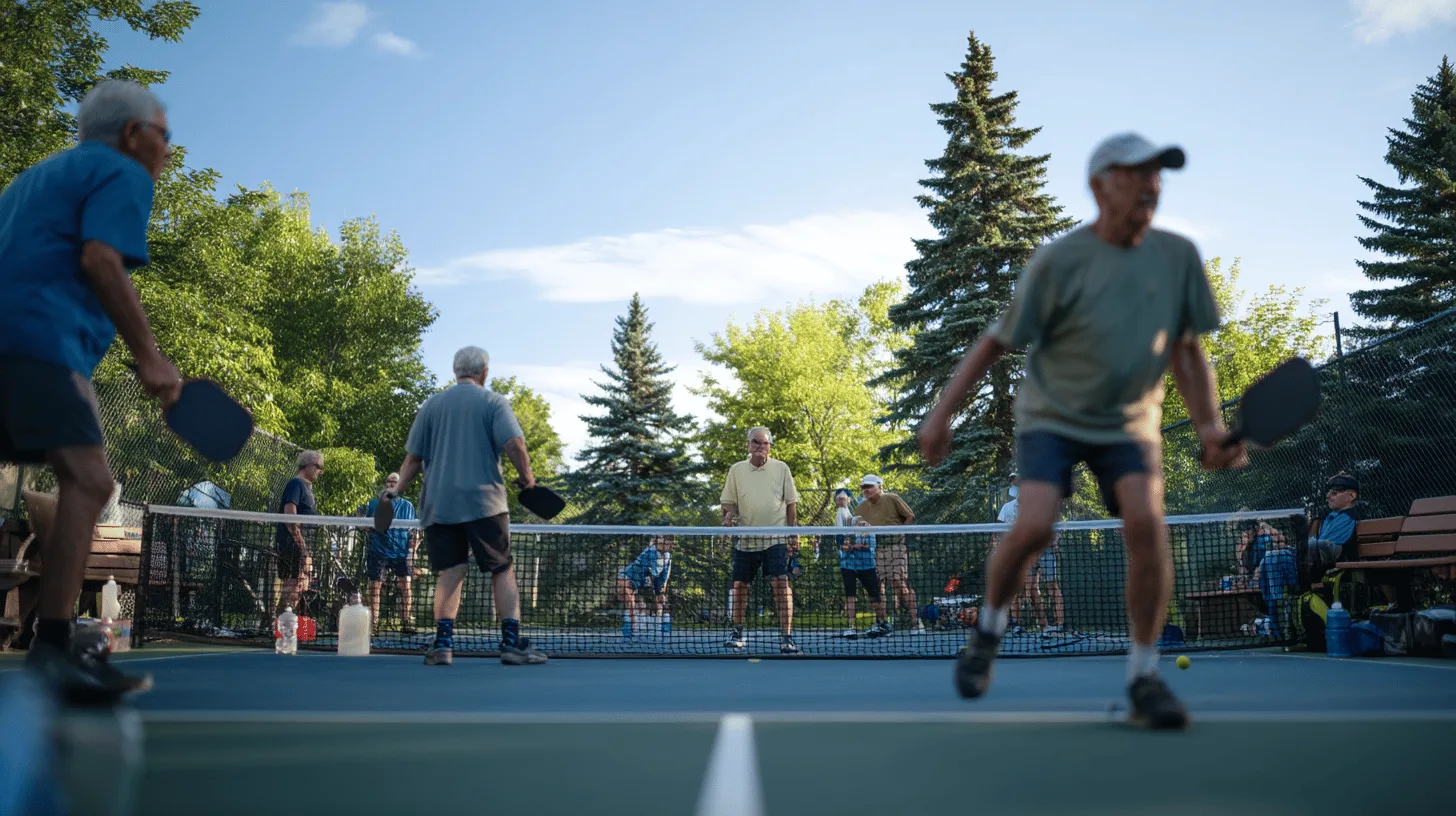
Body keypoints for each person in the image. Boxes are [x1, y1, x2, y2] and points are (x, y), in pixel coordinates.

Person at [919, 133, 1246, 730]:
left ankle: (1144, 676)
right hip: (1053, 417)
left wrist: (1209, 427)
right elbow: (995, 341)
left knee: (1147, 526)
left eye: (1157, 175)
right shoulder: (1060, 260)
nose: (1151, 185)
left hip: (1130, 422)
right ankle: (989, 630)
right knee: (1035, 525)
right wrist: (941, 414)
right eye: (1135, 174)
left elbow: (1188, 351)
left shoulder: (1177, 257)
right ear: (1099, 186)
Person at [0, 79, 182, 701]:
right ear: (134, 135)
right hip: (39, 345)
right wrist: (150, 358)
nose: (166, 150)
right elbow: (101, 260)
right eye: (164, 135)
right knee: (92, 480)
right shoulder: (123, 173)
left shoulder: (32, 180)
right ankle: (52, 650)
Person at [391, 346, 547, 666]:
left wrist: (392, 494)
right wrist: (528, 480)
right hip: (484, 502)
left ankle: (443, 645)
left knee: (451, 572)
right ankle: (511, 645)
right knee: (502, 569)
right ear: (484, 372)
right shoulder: (493, 402)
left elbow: (412, 460)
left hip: (439, 503)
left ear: (455, 371)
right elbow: (515, 444)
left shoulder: (431, 405)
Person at [720, 426, 801, 654]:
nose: (760, 447)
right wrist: (728, 519)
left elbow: (791, 503)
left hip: (776, 537)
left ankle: (786, 637)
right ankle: (737, 632)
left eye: (764, 443)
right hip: (745, 539)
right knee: (740, 586)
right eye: (756, 442)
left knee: (780, 583)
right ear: (748, 445)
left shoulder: (781, 468)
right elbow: (729, 503)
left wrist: (793, 533)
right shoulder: (736, 470)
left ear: (770, 446)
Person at [995, 474, 1065, 635]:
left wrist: (1054, 542)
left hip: (1044, 550)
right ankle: (1021, 625)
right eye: (1013, 484)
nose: (1016, 486)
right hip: (1023, 553)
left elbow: (1056, 528)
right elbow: (999, 533)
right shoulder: (1007, 508)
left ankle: (1060, 625)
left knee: (1052, 586)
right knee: (1023, 589)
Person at [854, 474, 923, 634]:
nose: (866, 490)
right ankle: (882, 623)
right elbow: (857, 527)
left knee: (898, 582)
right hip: (874, 550)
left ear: (879, 486)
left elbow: (909, 516)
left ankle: (916, 621)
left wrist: (901, 533)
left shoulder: (892, 498)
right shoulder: (860, 508)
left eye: (869, 486)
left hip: (896, 548)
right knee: (876, 585)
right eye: (864, 487)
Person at [356, 473, 418, 635]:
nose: (391, 484)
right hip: (378, 550)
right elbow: (364, 526)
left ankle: (406, 622)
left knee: (406, 585)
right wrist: (360, 521)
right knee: (375, 587)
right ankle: (373, 624)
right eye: (388, 481)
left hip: (400, 552)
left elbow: (413, 532)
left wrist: (413, 552)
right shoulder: (373, 504)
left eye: (394, 482)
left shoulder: (407, 506)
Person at [833, 490, 890, 637]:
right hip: (848, 565)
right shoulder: (848, 523)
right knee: (850, 596)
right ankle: (851, 627)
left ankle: (882, 623)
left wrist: (851, 545)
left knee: (874, 595)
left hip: (867, 567)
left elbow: (865, 546)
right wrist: (848, 543)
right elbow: (843, 545)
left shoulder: (870, 530)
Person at [274, 451, 323, 616]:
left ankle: (285, 625)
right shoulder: (296, 484)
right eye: (318, 466)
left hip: (302, 547)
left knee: (300, 586)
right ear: (308, 465)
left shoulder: (308, 488)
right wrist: (302, 548)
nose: (320, 471)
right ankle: (279, 628)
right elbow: (290, 517)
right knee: (292, 587)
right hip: (292, 546)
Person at [618, 534, 673, 639]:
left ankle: (659, 625)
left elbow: (664, 573)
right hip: (629, 577)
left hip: (643, 580)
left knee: (660, 602)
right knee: (629, 603)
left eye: (668, 544)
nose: (666, 545)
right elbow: (654, 571)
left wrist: (663, 586)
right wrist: (656, 588)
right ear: (659, 541)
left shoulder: (667, 557)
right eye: (664, 542)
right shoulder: (651, 551)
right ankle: (632, 628)